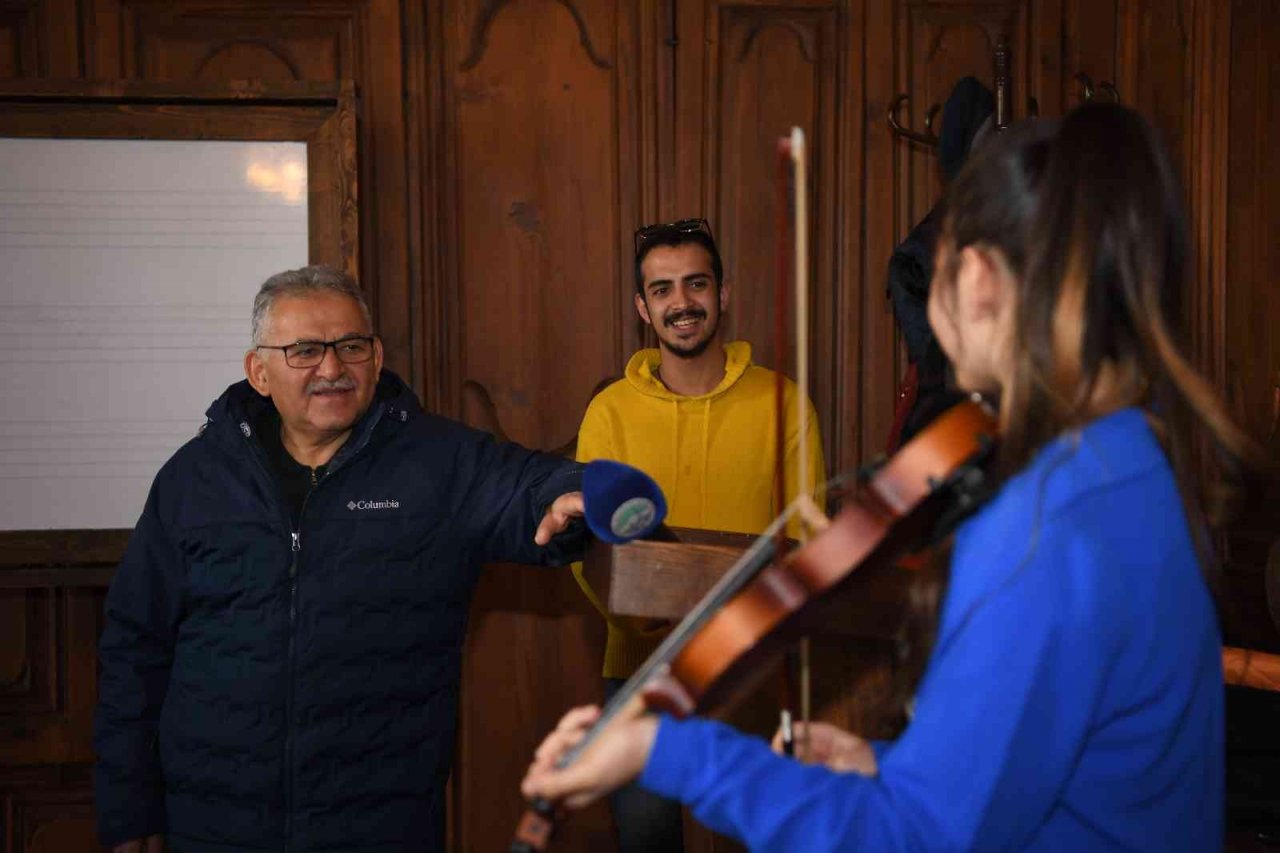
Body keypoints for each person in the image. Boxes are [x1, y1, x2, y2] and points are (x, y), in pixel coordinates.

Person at [523, 103, 1258, 852]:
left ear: (973, 276)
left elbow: (911, 837)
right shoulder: (1133, 462)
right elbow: (1041, 766)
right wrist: (888, 764)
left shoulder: (1036, 530)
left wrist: (663, 750)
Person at [94, 265, 586, 853]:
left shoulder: (440, 463)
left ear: (376, 358)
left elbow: (536, 487)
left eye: (350, 346)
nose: (332, 368)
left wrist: (583, 495)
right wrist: (129, 811)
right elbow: (134, 648)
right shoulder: (194, 479)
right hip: (212, 823)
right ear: (259, 372)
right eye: (304, 351)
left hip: (379, 823)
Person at [571, 218, 825, 851]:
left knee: (757, 838)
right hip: (641, 672)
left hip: (754, 668)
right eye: (662, 290)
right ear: (642, 307)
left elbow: (804, 539)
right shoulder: (609, 411)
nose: (681, 303)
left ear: (723, 293)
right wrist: (642, 625)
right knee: (648, 839)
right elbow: (588, 551)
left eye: (695, 284)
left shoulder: (783, 401)